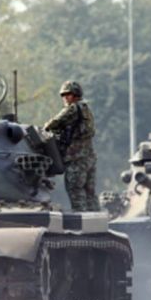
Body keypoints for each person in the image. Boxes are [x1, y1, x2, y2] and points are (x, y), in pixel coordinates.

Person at [43, 80, 99, 212]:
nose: (65, 97)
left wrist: (45, 128)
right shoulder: (86, 108)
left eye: (68, 94)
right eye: (63, 95)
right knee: (89, 193)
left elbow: (54, 123)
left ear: (75, 95)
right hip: (89, 157)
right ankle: (96, 220)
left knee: (75, 189)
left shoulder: (73, 108)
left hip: (76, 157)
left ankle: (81, 221)